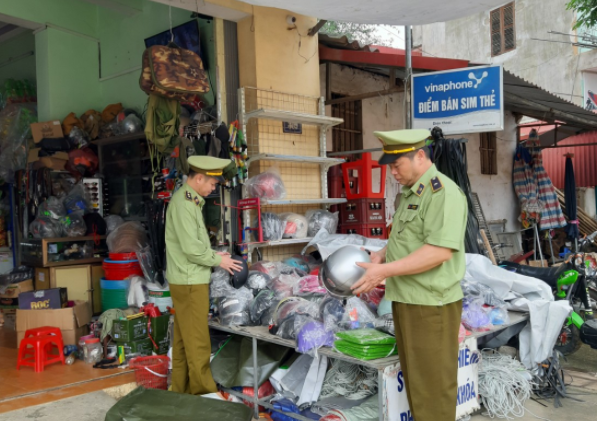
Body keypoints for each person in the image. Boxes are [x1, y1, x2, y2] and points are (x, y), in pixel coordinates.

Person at [351, 129, 467, 421]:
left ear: (419, 156)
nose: (392, 173)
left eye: (396, 165)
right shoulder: (410, 193)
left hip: (431, 305)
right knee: (416, 383)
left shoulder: (444, 193)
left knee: (433, 388)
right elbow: (408, 237)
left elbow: (439, 251)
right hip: (406, 299)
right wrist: (382, 254)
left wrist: (384, 271)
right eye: (390, 166)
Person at [165, 155, 242, 395]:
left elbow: (192, 245)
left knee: (182, 341)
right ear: (199, 178)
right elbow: (192, 249)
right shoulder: (185, 204)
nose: (212, 188)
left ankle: (179, 390)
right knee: (198, 341)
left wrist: (215, 254)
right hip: (190, 282)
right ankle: (204, 394)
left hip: (185, 280)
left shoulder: (189, 201)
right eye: (211, 184)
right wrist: (220, 260)